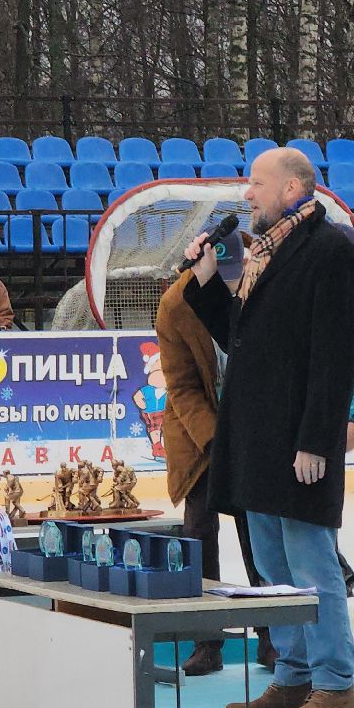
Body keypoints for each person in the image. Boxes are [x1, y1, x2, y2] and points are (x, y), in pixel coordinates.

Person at [185, 147, 354, 708]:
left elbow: (339, 353)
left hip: (298, 440)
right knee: (271, 566)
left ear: (292, 189)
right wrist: (206, 280)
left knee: (312, 564)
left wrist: (317, 438)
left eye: (257, 184)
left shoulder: (331, 250)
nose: (248, 194)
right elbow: (242, 339)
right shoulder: (263, 252)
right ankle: (293, 676)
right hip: (258, 439)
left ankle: (334, 686)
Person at [151, 261, 272, 677]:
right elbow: (181, 387)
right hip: (196, 435)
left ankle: (272, 635)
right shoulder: (175, 305)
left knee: (258, 532)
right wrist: (217, 443)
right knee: (199, 530)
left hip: (251, 426)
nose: (233, 286)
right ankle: (206, 640)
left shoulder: (265, 282)